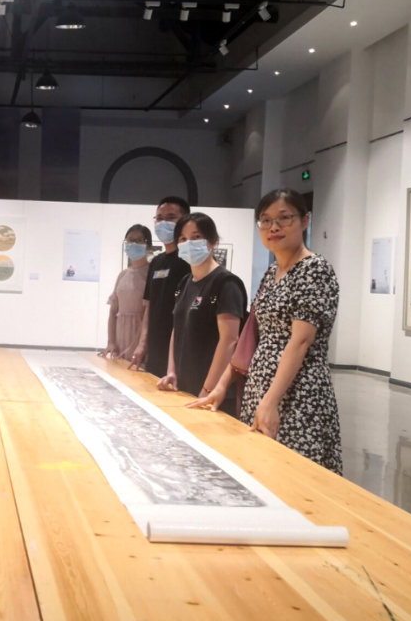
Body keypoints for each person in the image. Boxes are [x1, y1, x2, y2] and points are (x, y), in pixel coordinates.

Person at [196, 189, 342, 474]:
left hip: (298, 393)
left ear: (305, 221)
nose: (274, 227)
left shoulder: (315, 270)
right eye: (265, 220)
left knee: (294, 476)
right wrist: (223, 385)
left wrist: (272, 400)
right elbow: (251, 336)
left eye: (284, 218)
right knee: (259, 471)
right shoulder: (272, 272)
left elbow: (300, 341)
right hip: (260, 388)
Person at [156, 213, 246, 416]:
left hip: (214, 395)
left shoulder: (226, 283)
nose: (189, 243)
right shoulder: (184, 282)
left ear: (213, 241)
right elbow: (177, 328)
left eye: (196, 237)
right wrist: (171, 371)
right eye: (183, 238)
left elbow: (229, 340)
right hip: (185, 387)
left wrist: (207, 389)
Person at [130, 197, 192, 376]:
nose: (163, 223)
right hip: (155, 349)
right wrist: (143, 343)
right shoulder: (157, 262)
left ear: (185, 221)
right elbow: (150, 305)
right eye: (159, 218)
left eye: (170, 217)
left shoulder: (189, 261)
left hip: (180, 350)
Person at [99, 225, 153, 361]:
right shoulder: (122, 275)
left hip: (140, 341)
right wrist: (111, 342)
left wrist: (135, 346)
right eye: (130, 240)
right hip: (120, 340)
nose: (134, 244)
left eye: (139, 240)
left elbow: (148, 315)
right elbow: (113, 312)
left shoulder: (151, 274)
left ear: (148, 245)